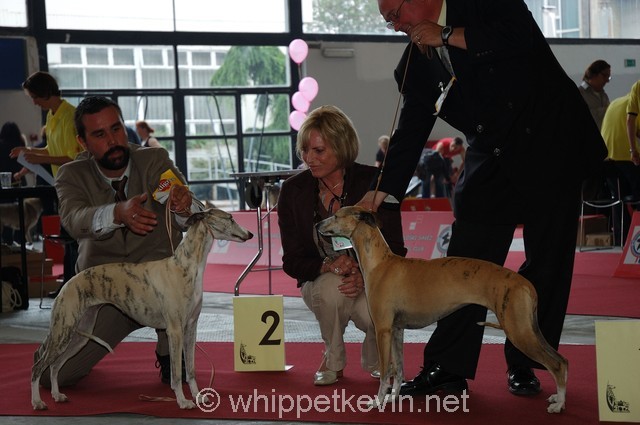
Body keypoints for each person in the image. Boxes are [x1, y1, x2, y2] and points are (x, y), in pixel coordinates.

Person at [358, 0, 607, 398]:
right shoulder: (413, 63)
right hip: (490, 159)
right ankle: (447, 368)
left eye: (394, 16)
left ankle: (528, 362)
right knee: (460, 267)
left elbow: (518, 35)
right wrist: (384, 188)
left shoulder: (480, 3)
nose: (393, 27)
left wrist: (445, 35)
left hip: (549, 147)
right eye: (387, 21)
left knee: (547, 266)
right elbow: (410, 129)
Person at [34, 96, 202, 388]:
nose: (113, 140)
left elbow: (190, 214)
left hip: (163, 290)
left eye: (117, 129)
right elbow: (74, 219)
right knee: (55, 377)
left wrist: (184, 205)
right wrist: (116, 213)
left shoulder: (154, 160)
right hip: (109, 294)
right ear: (82, 143)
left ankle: (168, 349)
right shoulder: (71, 175)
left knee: (180, 370)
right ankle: (60, 348)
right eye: (100, 135)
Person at [278, 105, 406, 386]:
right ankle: (332, 361)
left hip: (370, 281)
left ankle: (379, 361)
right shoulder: (292, 191)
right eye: (305, 151)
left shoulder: (374, 183)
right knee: (329, 289)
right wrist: (327, 265)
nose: (309, 159)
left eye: (319, 151)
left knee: (376, 309)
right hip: (322, 280)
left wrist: (364, 275)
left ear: (342, 146)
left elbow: (396, 247)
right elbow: (292, 260)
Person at [10, 71, 84, 294]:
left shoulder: (71, 115)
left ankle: (73, 286)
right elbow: (52, 150)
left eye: (34, 97)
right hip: (60, 183)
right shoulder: (52, 116)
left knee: (73, 238)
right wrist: (28, 151)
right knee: (67, 237)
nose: (33, 102)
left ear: (44, 92)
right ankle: (68, 285)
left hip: (76, 184)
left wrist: (39, 157)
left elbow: (73, 156)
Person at [601, 80, 640, 243]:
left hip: (607, 160)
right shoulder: (634, 105)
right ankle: (636, 238)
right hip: (629, 158)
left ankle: (620, 239)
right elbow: (635, 130)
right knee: (638, 197)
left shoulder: (616, 102)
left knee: (618, 199)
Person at [578, 59, 611, 130]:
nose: (607, 80)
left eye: (609, 77)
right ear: (593, 74)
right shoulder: (579, 94)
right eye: (605, 76)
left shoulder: (604, 95)